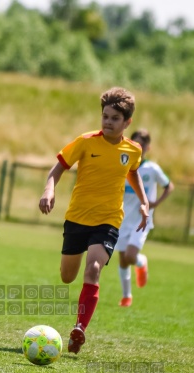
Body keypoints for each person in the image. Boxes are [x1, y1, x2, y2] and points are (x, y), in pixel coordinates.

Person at [38, 87, 148, 354]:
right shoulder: (86, 141)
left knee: (94, 269)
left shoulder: (132, 150)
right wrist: (49, 189)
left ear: (127, 122)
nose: (108, 122)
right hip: (77, 218)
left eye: (114, 118)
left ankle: (79, 329)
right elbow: (59, 167)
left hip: (108, 220)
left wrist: (144, 202)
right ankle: (79, 323)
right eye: (105, 116)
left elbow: (132, 172)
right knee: (67, 276)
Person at [115, 129, 174, 307]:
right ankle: (127, 296)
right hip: (123, 217)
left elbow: (168, 186)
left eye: (142, 144)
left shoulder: (152, 168)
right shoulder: (123, 163)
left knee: (131, 256)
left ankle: (142, 262)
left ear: (148, 147)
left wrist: (155, 203)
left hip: (142, 219)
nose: (138, 147)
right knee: (123, 259)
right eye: (135, 143)